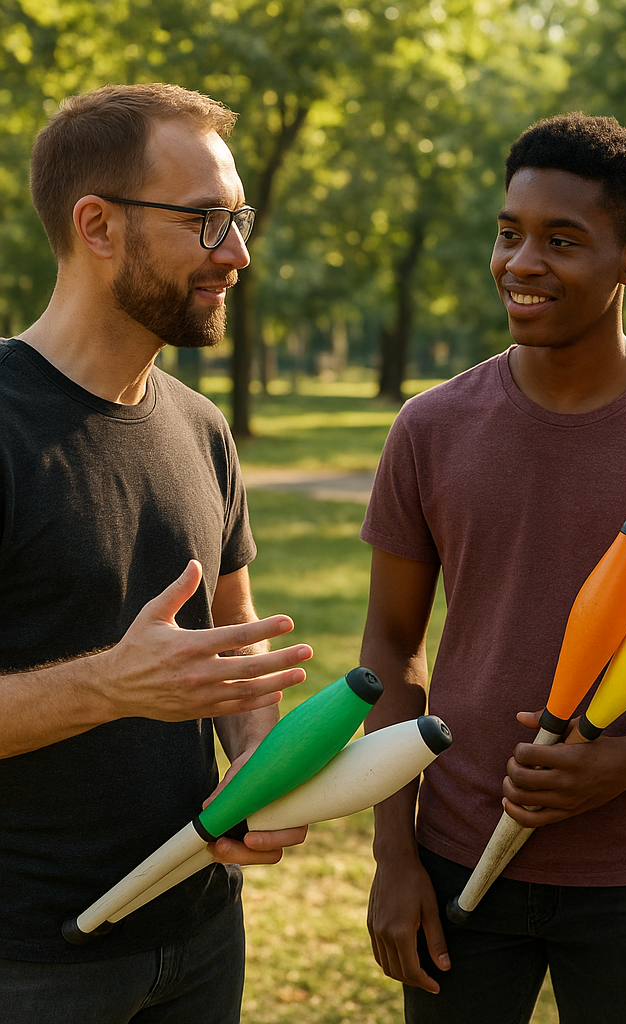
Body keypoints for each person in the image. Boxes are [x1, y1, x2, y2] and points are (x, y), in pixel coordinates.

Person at [359, 112, 626, 1024]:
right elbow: (390, 644)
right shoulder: (430, 427)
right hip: (453, 852)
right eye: (509, 233)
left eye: (561, 240)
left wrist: (620, 766)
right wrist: (394, 854)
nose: (521, 262)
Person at [0, 83, 314, 1022]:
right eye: (206, 220)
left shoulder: (202, 426)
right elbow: (136, 678)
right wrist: (110, 684)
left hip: (200, 932)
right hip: (30, 957)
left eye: (240, 219)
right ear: (97, 225)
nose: (238, 253)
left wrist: (257, 763)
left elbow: (233, 640)